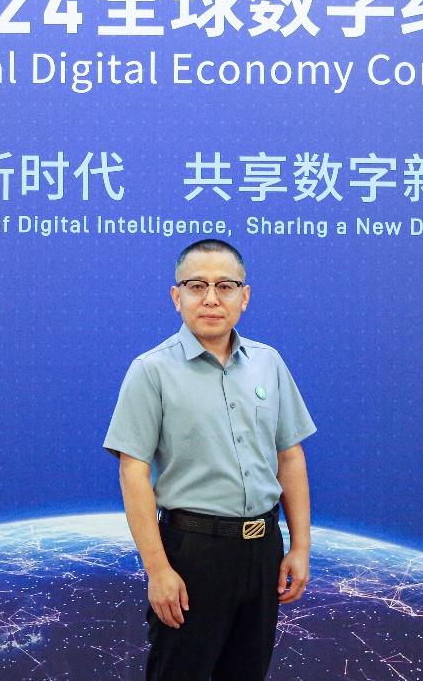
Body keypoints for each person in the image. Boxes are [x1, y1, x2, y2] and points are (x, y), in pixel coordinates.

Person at [104, 238, 317, 681]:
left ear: (245, 296)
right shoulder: (151, 370)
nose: (212, 298)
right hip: (193, 553)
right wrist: (158, 570)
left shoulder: (268, 363)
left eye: (225, 285)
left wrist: (300, 547)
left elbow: (290, 456)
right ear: (176, 296)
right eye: (197, 285)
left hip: (263, 549)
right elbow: (133, 472)